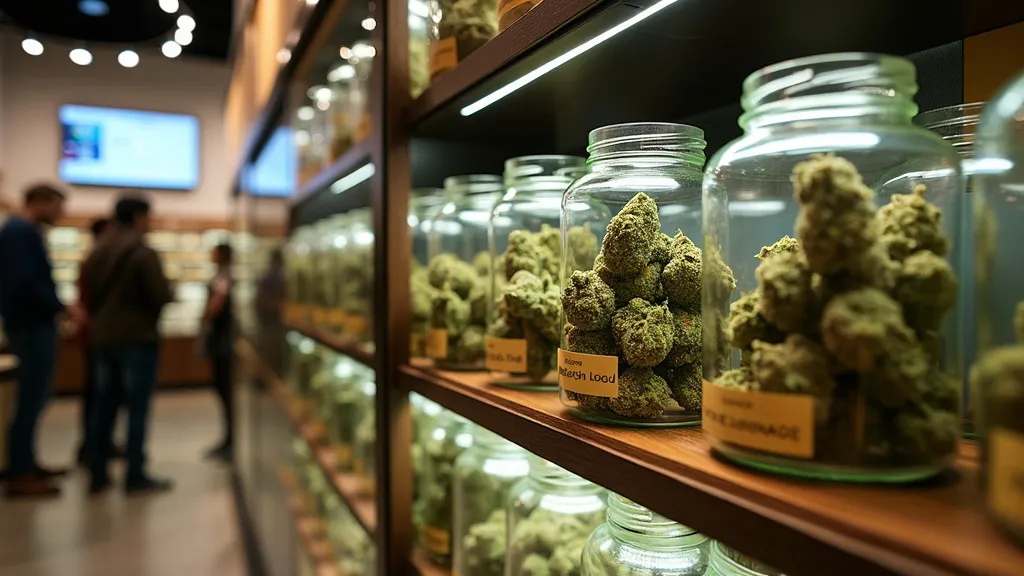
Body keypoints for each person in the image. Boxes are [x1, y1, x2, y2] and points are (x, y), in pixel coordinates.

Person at [84, 196, 174, 494]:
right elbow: (159, 294)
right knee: (137, 407)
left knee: (103, 406)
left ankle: (97, 471)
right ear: (138, 216)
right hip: (137, 338)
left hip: (102, 338)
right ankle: (134, 473)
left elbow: (88, 293)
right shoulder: (141, 251)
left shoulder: (98, 249)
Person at [0, 183, 71, 497]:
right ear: (40, 203)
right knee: (30, 398)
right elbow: (24, 283)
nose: (60, 214)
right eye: (57, 206)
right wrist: (59, 307)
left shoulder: (21, 233)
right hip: (31, 327)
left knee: (34, 398)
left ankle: (26, 461)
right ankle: (20, 470)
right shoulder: (21, 233)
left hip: (30, 324)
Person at [75, 218, 123, 466]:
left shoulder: (97, 259)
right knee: (98, 394)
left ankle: (97, 444)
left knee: (102, 393)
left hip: (100, 336)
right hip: (99, 337)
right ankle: (93, 446)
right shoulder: (98, 261)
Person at [202, 243, 234, 462]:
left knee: (226, 392)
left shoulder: (224, 277)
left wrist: (206, 316)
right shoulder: (223, 276)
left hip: (224, 343)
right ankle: (228, 439)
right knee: (223, 392)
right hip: (221, 342)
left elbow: (216, 304)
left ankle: (231, 441)